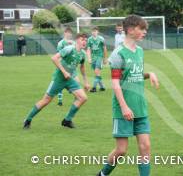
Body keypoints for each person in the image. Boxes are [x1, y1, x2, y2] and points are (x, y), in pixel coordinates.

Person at [96, 15, 159, 176]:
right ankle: (102, 174)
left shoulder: (139, 51)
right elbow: (116, 83)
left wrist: (149, 74)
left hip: (140, 107)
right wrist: (124, 107)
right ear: (131, 30)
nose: (144, 32)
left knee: (145, 146)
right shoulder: (118, 54)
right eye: (141, 28)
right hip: (123, 109)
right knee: (121, 151)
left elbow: (134, 75)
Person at [23, 33, 90, 129]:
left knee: (83, 98)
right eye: (82, 39)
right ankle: (28, 119)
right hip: (59, 78)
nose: (85, 42)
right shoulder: (69, 49)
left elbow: (82, 67)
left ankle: (67, 120)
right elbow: (54, 58)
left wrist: (86, 81)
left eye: (86, 40)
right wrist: (64, 72)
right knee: (46, 100)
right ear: (77, 40)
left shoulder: (83, 54)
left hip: (70, 79)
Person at [56, 27, 75, 106]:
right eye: (67, 33)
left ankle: (76, 99)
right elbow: (58, 55)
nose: (68, 34)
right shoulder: (61, 43)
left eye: (70, 33)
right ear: (64, 33)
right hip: (63, 65)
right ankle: (60, 101)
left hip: (71, 66)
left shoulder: (73, 43)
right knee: (60, 82)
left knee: (74, 82)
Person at [87, 27, 107, 92]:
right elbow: (88, 49)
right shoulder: (89, 39)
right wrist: (89, 58)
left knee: (96, 71)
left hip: (100, 57)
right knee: (97, 73)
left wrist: (105, 58)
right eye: (93, 31)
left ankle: (94, 88)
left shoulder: (101, 39)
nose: (94, 32)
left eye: (95, 31)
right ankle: (102, 87)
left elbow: (104, 48)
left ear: (98, 32)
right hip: (93, 58)